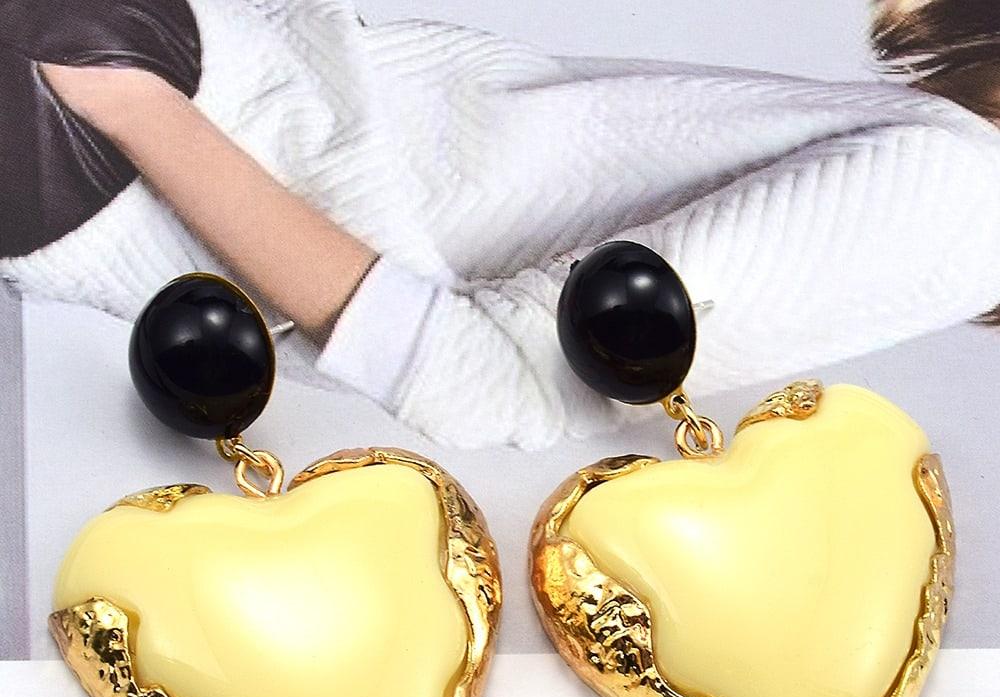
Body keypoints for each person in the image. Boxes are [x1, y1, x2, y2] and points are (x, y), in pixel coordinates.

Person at [3, 0, 1000, 449]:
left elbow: (497, 383)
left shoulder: (963, 193)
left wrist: (138, 111)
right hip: (193, 90)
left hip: (132, 143)